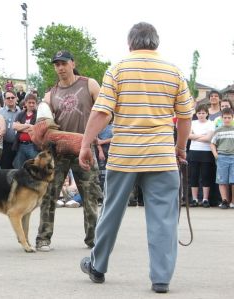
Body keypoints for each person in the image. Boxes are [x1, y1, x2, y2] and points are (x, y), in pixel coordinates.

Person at [78, 22, 193, 293]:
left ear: (130, 43)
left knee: (111, 212)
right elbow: (185, 116)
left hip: (124, 156)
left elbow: (102, 112)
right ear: (156, 43)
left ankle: (98, 266)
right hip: (162, 156)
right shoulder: (173, 71)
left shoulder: (118, 69)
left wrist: (85, 144)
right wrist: (180, 148)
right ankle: (161, 278)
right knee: (164, 218)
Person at [35, 50, 102, 252]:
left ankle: (93, 239)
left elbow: (104, 111)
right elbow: (43, 122)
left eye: (63, 63)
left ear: (73, 63)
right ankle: (43, 238)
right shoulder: (50, 94)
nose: (60, 68)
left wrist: (94, 135)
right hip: (59, 150)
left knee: (90, 195)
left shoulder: (89, 84)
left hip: (84, 147)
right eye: (56, 64)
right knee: (49, 194)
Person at [188, 104, 215, 207]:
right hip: (194, 151)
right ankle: (194, 199)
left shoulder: (211, 123)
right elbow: (188, 135)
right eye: (199, 113)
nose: (201, 115)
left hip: (207, 152)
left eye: (203, 113)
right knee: (193, 176)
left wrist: (195, 137)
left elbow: (209, 139)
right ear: (196, 114)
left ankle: (205, 199)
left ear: (207, 114)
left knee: (205, 176)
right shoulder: (192, 123)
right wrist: (201, 136)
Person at [210, 108, 234, 209]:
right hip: (222, 157)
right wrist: (216, 154)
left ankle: (232, 201)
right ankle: (224, 200)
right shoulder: (218, 130)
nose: (227, 119)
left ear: (232, 118)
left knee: (233, 181)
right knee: (222, 180)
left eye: (229, 117)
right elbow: (212, 143)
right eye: (225, 117)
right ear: (221, 118)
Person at [12, 93, 39, 169]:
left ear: (36, 104)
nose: (31, 104)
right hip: (20, 146)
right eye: (29, 102)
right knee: (19, 169)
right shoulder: (20, 114)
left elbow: (37, 129)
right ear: (25, 103)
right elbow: (14, 126)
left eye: (33, 103)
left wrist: (21, 126)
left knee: (34, 168)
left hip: (33, 146)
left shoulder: (38, 115)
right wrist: (28, 126)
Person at [0, 90, 20, 169]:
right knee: (5, 168)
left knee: (17, 169)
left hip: (18, 145)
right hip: (5, 145)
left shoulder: (21, 112)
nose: (10, 99)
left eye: (12, 97)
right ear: (4, 100)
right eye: (8, 98)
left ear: (16, 98)